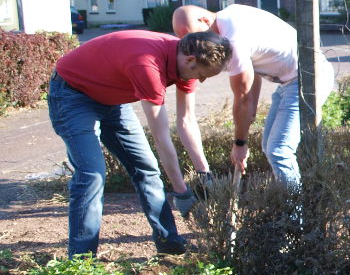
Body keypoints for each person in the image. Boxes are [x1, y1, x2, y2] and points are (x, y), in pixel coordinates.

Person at [48, 29, 232, 257]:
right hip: (73, 94)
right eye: (201, 74)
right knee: (91, 175)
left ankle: (169, 243)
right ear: (191, 60)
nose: (201, 80)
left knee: (147, 168)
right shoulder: (147, 64)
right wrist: (181, 191)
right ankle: (81, 263)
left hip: (114, 100)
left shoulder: (187, 56)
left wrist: (205, 173)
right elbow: (161, 137)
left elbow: (187, 121)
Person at [172, 4, 336, 187]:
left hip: (308, 78)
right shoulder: (232, 13)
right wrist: (250, 114)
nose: (197, 46)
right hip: (291, 81)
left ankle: (296, 214)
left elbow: (243, 99)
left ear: (204, 20)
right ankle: (294, 209)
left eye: (197, 36)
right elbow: (251, 77)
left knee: (279, 150)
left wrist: (240, 144)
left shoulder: (232, 42)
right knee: (269, 146)